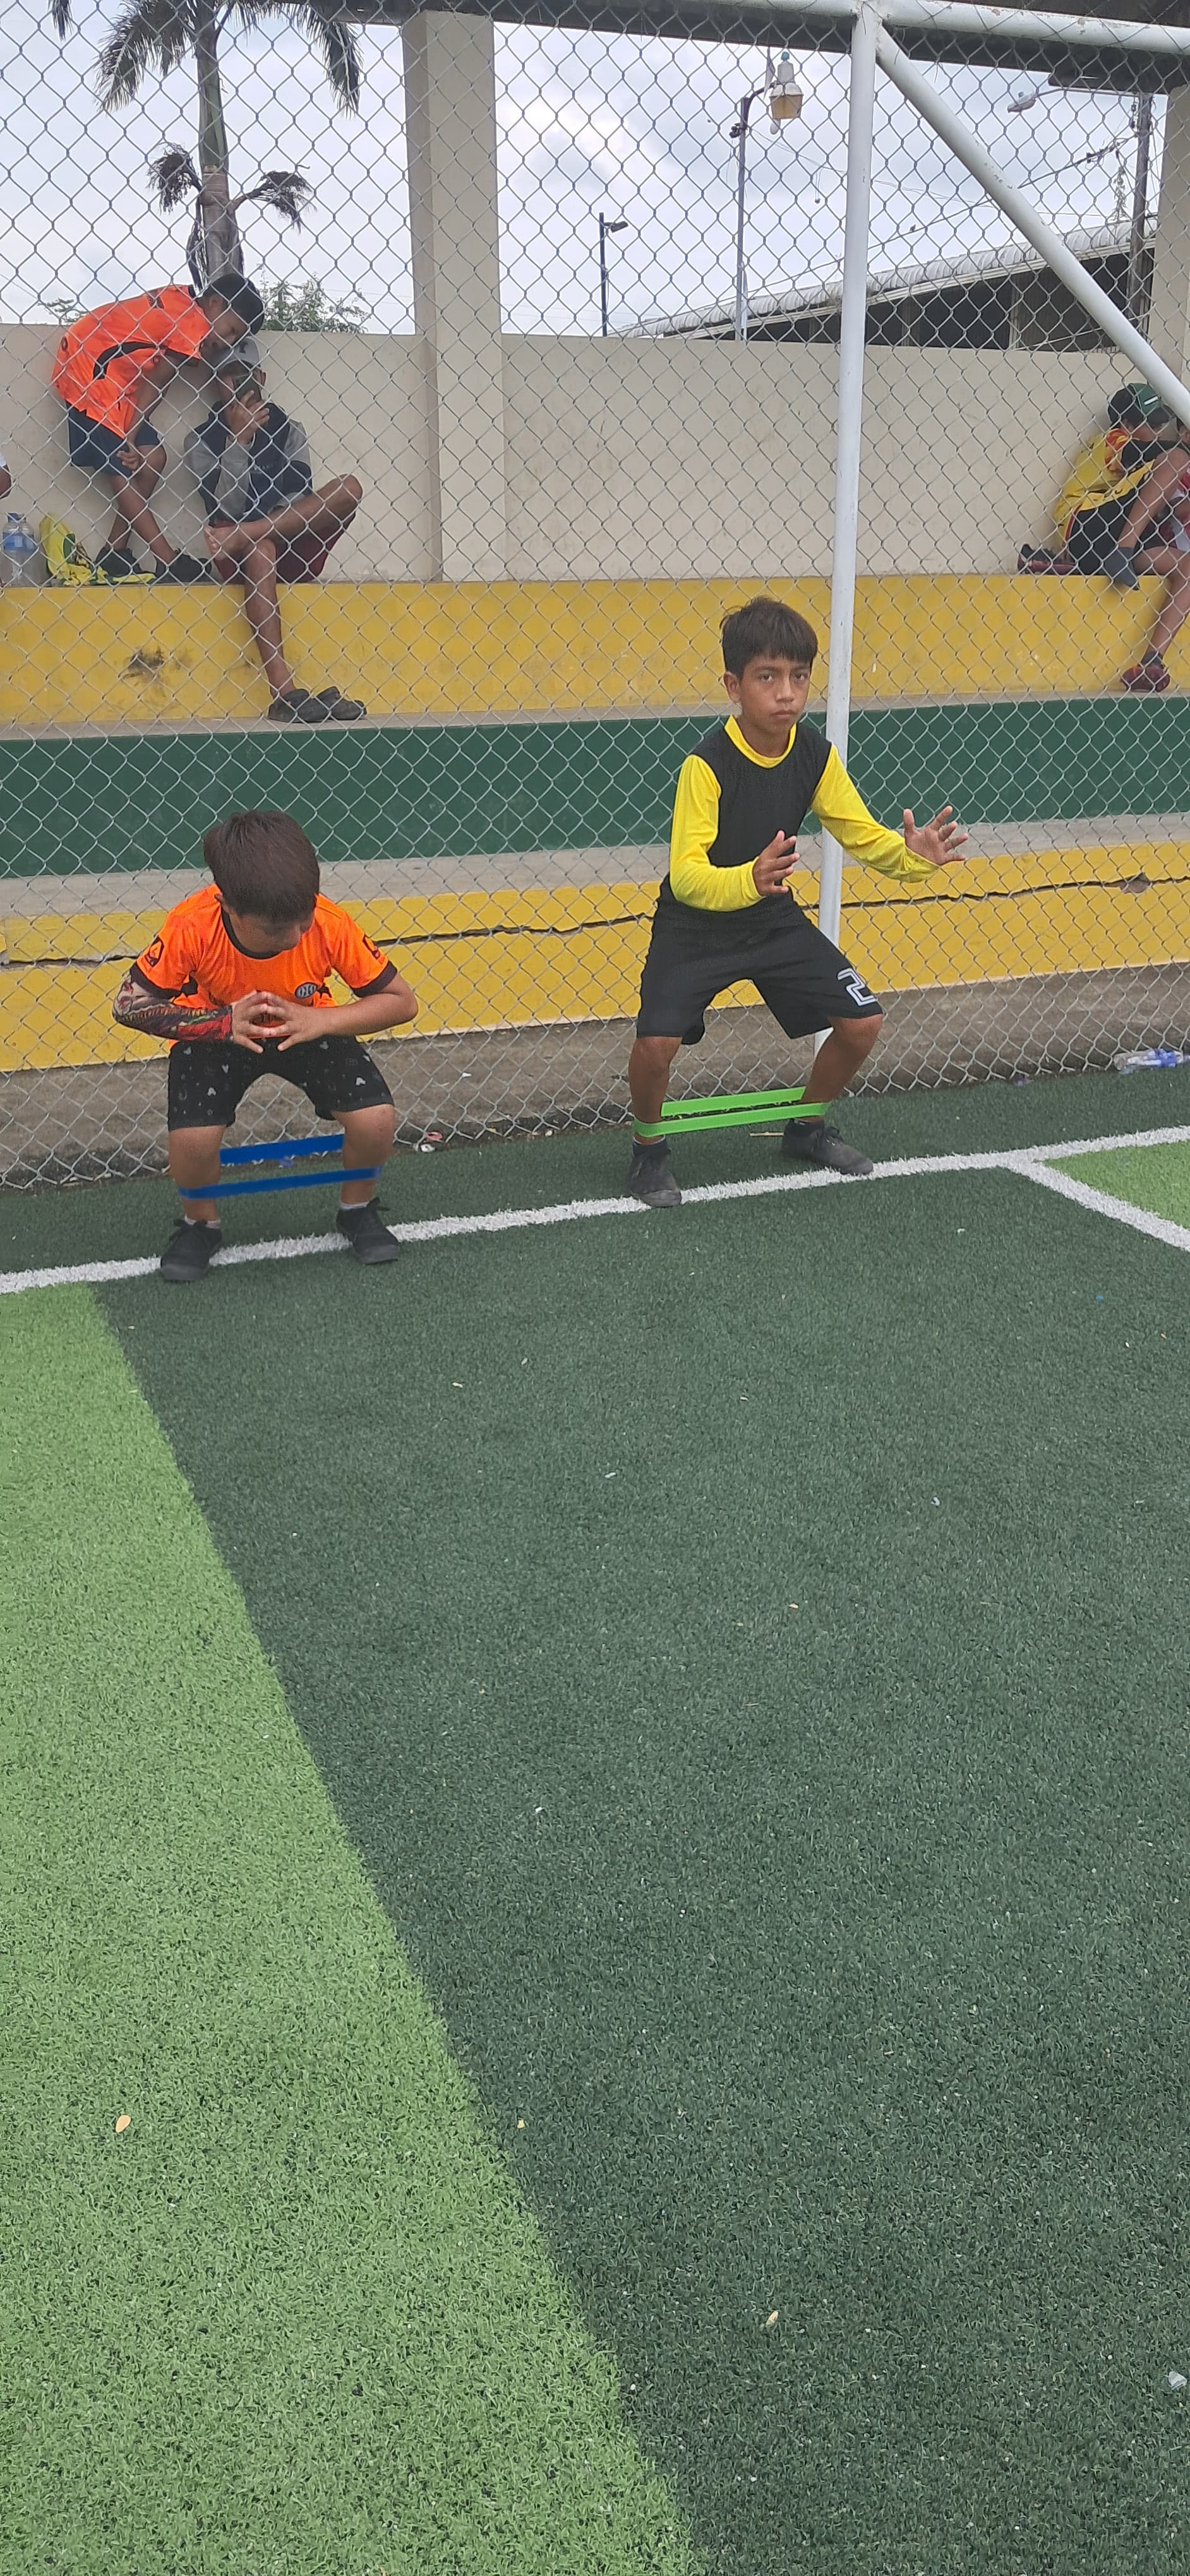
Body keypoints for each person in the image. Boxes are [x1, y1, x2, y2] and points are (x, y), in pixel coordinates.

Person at [625, 596, 966, 1209]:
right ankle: (648, 1149)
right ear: (734, 686)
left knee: (862, 1023)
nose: (787, 693)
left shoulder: (814, 755)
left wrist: (914, 858)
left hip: (771, 919)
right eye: (768, 677)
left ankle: (806, 1128)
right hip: (694, 927)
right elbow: (688, 877)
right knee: (655, 1048)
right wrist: (748, 878)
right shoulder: (705, 766)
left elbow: (863, 836)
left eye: (799, 677)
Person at [112, 808, 418, 1282]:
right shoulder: (193, 924)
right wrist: (220, 1023)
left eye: (303, 920)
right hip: (218, 1026)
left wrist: (321, 1020)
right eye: (276, 930)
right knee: (193, 1141)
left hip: (307, 1021)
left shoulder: (328, 922)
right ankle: (200, 1224)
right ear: (227, 905)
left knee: (375, 1119)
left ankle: (357, 1210)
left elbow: (401, 1002)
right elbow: (128, 1005)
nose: (295, 937)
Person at [184, 358, 366, 722]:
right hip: (237, 552)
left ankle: (249, 534)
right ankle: (284, 693)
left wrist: (254, 528)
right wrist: (238, 441)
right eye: (227, 376)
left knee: (349, 487)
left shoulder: (289, 429)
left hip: (279, 538)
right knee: (261, 548)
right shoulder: (200, 440)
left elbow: (300, 496)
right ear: (215, 383)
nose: (237, 383)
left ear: (262, 378)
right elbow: (226, 507)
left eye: (245, 375)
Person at [52, 273, 265, 581]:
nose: (228, 342)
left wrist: (132, 436)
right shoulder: (193, 325)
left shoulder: (184, 300)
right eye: (231, 330)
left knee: (153, 457)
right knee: (121, 465)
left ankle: (114, 552)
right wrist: (128, 438)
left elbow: (159, 379)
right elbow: (157, 381)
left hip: (118, 383)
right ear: (215, 303)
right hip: (89, 369)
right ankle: (168, 560)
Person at [1054, 383, 1190, 693]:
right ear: (1127, 424)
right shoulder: (1109, 440)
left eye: (1163, 425)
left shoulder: (1153, 470)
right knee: (1176, 459)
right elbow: (1156, 454)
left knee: (1188, 567)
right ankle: (1124, 550)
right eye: (1153, 424)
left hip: (1120, 542)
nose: (1160, 431)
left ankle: (1152, 662)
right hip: (1086, 528)